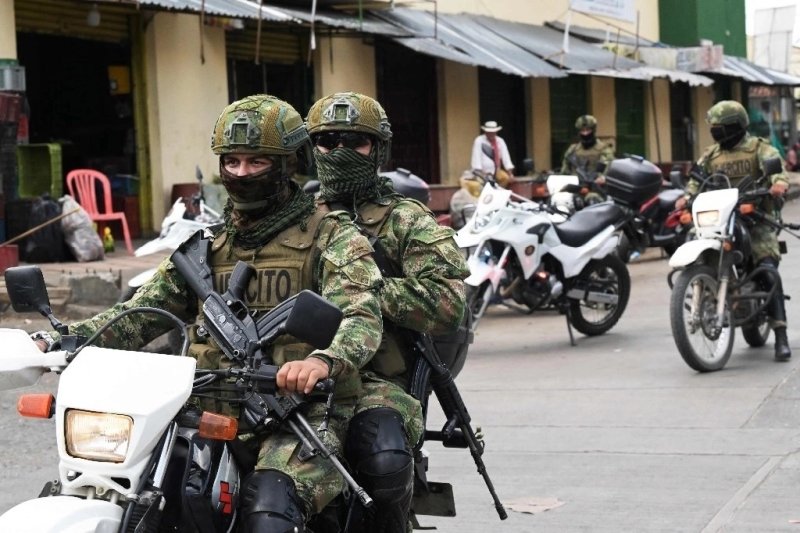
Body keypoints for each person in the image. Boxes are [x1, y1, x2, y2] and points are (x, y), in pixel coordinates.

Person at [31, 94, 384, 531]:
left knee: (270, 510)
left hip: (299, 412)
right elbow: (141, 313)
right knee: (140, 496)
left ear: (290, 162)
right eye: (231, 162)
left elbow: (362, 314)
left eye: (257, 162)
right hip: (203, 408)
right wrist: (58, 341)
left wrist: (322, 360)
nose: (241, 173)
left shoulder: (333, 236)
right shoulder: (204, 247)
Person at [305, 91, 469, 532]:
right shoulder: (294, 218)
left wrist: (365, 291)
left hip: (377, 378)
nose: (339, 151)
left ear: (378, 150)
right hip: (292, 371)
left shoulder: (404, 220)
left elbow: (450, 304)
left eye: (354, 141)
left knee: (385, 459)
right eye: (327, 141)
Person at [675, 100, 791, 361]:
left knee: (768, 271)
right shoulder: (711, 155)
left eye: (721, 127)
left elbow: (777, 170)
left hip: (754, 218)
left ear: (736, 127)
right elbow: (696, 180)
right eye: (713, 128)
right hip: (720, 218)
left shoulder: (758, 148)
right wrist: (686, 197)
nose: (716, 132)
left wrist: (779, 184)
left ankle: (780, 336)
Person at [471, 120, 514, 187]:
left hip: (496, 171)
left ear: (496, 132)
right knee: (481, 185)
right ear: (485, 132)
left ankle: (497, 192)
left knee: (505, 178)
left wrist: (510, 173)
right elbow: (476, 158)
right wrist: (480, 172)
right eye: (489, 132)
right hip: (483, 172)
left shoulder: (500, 141)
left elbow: (506, 157)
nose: (491, 134)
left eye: (493, 132)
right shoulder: (479, 141)